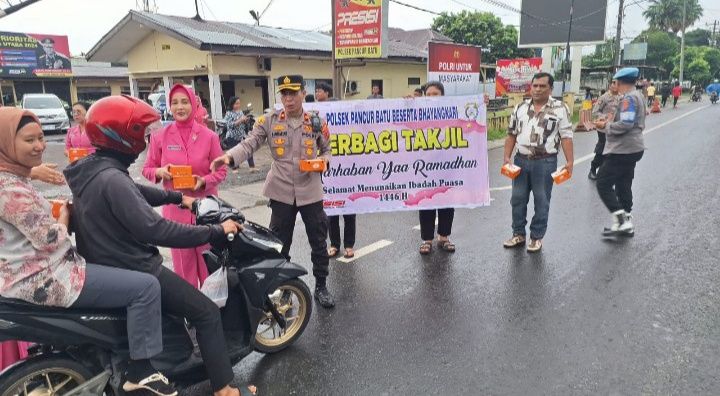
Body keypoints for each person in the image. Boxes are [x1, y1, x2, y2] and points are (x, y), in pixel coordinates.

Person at [63, 95, 254, 396]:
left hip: (108, 261)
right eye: (140, 132)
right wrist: (214, 231)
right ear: (123, 135)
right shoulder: (112, 178)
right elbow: (156, 229)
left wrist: (178, 197)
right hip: (135, 265)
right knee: (205, 312)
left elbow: (136, 191)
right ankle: (225, 388)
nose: (145, 137)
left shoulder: (95, 168)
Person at [0, 107, 178, 395]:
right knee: (145, 287)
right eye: (29, 140)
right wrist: (65, 216)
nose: (39, 146)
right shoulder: (10, 190)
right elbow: (50, 238)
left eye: (41, 138)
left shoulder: (15, 178)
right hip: (49, 277)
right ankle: (142, 372)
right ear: (7, 143)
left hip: (26, 274)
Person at [209, 75, 336, 308]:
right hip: (281, 191)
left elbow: (327, 150)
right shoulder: (268, 120)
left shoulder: (316, 121)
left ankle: (321, 286)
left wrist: (322, 161)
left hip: (311, 190)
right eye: (284, 94)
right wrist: (229, 157)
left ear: (302, 94)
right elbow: (250, 143)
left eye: (292, 93)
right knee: (279, 243)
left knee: (318, 240)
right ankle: (284, 287)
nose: (288, 99)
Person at [142, 84, 227, 288]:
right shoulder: (159, 137)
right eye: (174, 102)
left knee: (209, 265)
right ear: (169, 107)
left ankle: (212, 310)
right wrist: (160, 172)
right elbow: (147, 168)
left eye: (185, 102)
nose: (180, 107)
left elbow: (221, 171)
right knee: (183, 268)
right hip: (176, 212)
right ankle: (188, 315)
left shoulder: (209, 136)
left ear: (194, 104)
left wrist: (204, 181)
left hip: (205, 209)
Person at [502, 72, 574, 252]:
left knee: (542, 200)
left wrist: (570, 161)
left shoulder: (560, 108)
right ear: (531, 87)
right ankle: (518, 234)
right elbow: (511, 134)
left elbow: (566, 136)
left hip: (545, 162)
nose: (538, 89)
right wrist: (506, 157)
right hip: (520, 160)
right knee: (517, 199)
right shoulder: (520, 107)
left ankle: (536, 237)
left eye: (542, 86)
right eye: (535, 85)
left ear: (550, 88)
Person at [591, 67, 646, 237]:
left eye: (615, 82)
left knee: (602, 182)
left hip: (623, 149)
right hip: (634, 148)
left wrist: (605, 126)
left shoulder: (628, 98)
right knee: (623, 183)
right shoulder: (639, 95)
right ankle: (626, 221)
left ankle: (621, 220)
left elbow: (626, 124)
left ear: (619, 82)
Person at [416, 81, 457, 255]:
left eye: (436, 94)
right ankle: (427, 239)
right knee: (426, 202)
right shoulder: (417, 113)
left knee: (447, 202)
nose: (432, 97)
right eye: (429, 94)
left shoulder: (452, 112)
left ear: (442, 96)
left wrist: (481, 102)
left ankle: (444, 237)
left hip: (446, 165)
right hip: (424, 167)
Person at [315, 83, 355, 259]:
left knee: (349, 212)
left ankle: (349, 245)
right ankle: (334, 245)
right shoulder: (320, 126)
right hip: (330, 174)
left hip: (348, 175)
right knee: (331, 213)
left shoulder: (350, 128)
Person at [589, 80, 621, 180]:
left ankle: (604, 171)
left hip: (615, 128)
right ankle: (593, 169)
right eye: (614, 83)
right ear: (610, 85)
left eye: (618, 84)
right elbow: (595, 112)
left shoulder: (622, 97)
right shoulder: (604, 97)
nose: (616, 86)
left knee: (613, 151)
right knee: (602, 149)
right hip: (603, 127)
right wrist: (605, 117)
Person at [223, 96, 256, 173]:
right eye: (236, 104)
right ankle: (234, 168)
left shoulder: (240, 112)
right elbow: (229, 126)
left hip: (241, 135)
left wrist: (245, 121)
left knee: (248, 149)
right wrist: (240, 120)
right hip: (232, 136)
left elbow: (243, 124)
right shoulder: (228, 113)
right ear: (232, 104)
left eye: (239, 103)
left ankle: (252, 167)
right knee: (233, 153)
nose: (238, 105)